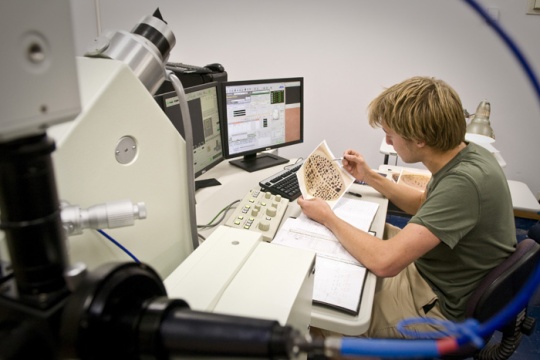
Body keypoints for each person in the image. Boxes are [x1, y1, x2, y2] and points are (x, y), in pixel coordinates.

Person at [297, 76, 516, 338]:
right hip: (436, 267)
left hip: (439, 305)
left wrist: (328, 218)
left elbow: (385, 263)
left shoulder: (464, 182)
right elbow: (424, 204)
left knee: (321, 317)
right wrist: (369, 175)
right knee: (353, 237)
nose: (388, 143)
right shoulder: (464, 153)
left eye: (390, 135)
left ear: (420, 139)